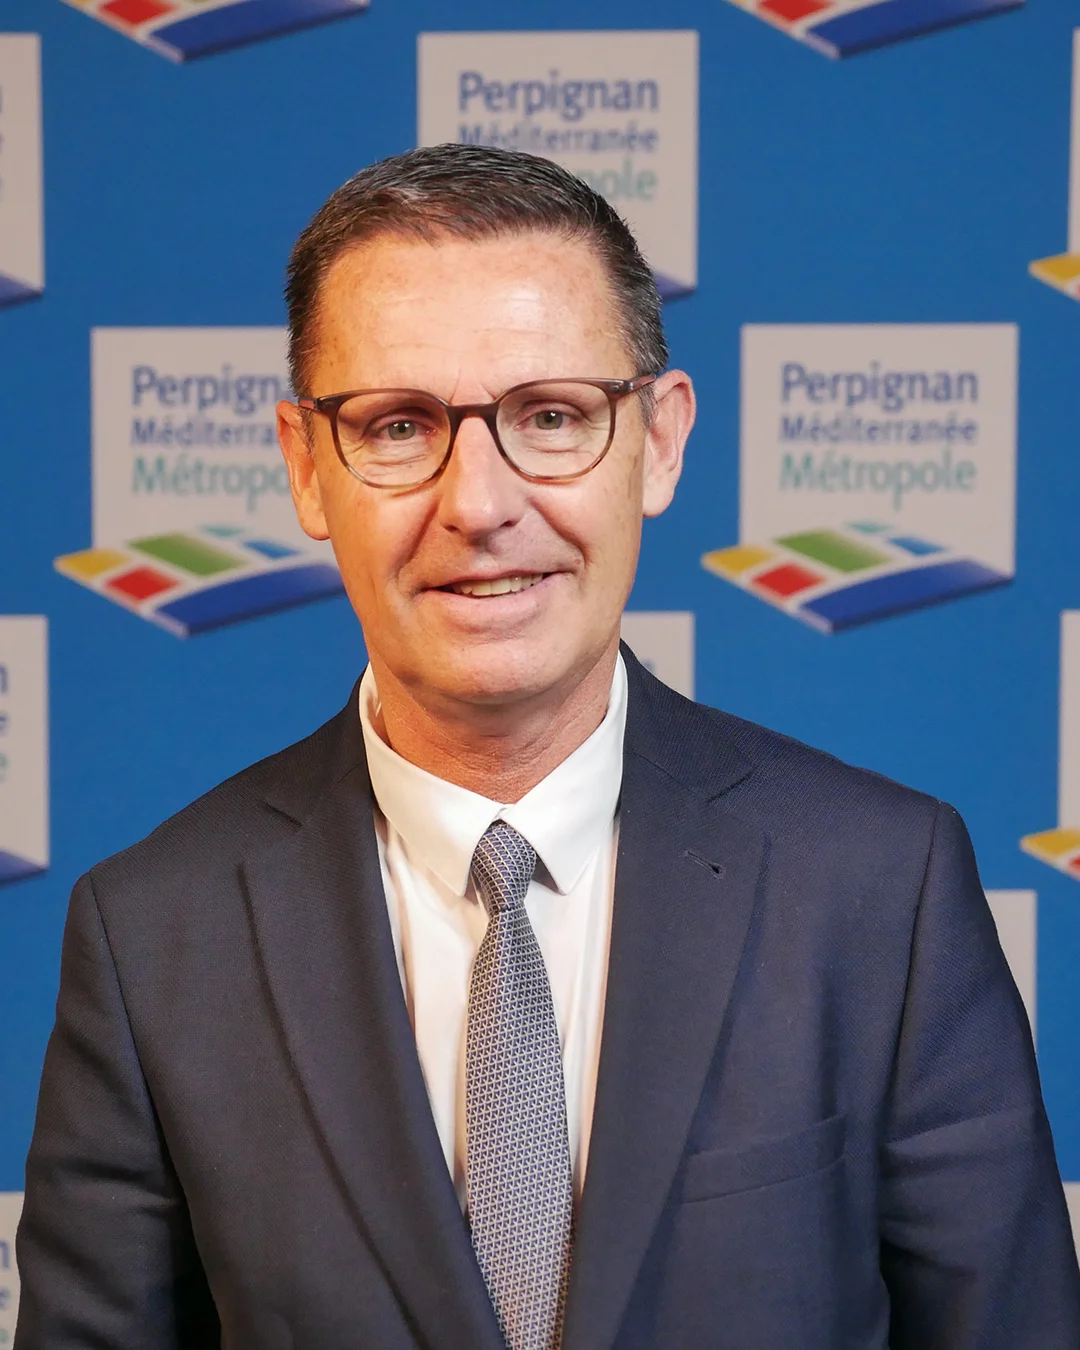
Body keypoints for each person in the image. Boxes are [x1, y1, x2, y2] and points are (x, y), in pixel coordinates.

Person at [14, 143, 1080, 1350]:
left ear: (659, 442)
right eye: (400, 425)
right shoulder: (154, 935)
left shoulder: (883, 888)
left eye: (552, 417)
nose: (478, 505)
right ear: (308, 468)